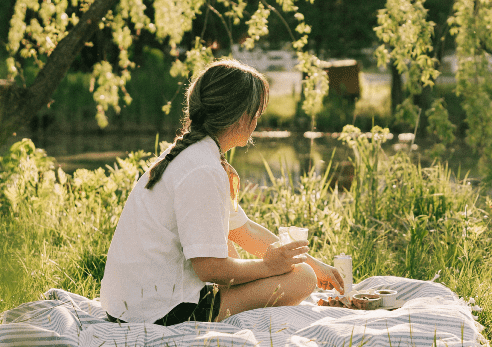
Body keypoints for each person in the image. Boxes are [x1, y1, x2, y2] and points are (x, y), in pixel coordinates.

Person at [99, 59, 345, 324]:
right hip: (160, 313)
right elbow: (209, 268)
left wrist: (315, 264)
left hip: (134, 305)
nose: (256, 122)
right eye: (256, 114)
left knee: (240, 244)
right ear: (241, 118)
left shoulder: (191, 155)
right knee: (302, 278)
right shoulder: (202, 170)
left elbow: (244, 231)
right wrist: (269, 267)